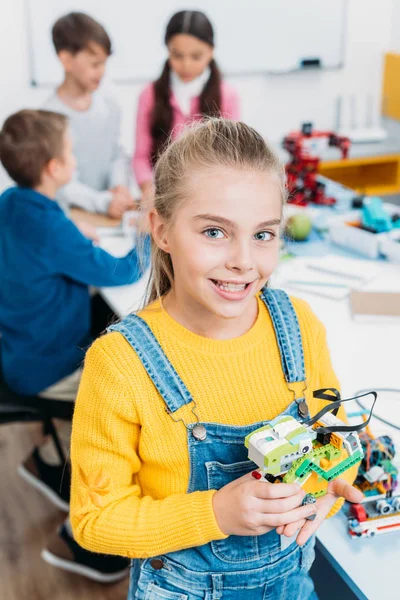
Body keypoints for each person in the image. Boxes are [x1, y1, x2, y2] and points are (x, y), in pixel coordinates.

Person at [70, 119, 362, 598]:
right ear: (161, 230)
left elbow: (334, 432)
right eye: (214, 232)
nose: (244, 260)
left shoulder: (299, 325)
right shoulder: (120, 364)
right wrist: (217, 513)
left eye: (264, 235)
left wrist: (325, 491)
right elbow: (95, 520)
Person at [0, 109, 147, 580]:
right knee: (134, 404)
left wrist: (72, 238)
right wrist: (146, 238)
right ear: (53, 169)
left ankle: (47, 461)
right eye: (70, 151)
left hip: (19, 351)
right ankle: (85, 540)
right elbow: (121, 272)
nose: (75, 157)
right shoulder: (48, 224)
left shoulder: (13, 203)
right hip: (48, 366)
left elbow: (41, 245)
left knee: (109, 324)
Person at [133, 10, 240, 207]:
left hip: (209, 199)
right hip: (162, 199)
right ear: (167, 50)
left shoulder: (227, 96)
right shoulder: (149, 94)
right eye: (177, 55)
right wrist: (150, 193)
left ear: (211, 51)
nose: (186, 64)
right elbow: (141, 157)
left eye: (196, 56)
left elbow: (230, 159)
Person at [44, 12, 135, 220]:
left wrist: (119, 186)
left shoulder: (110, 105)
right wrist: (102, 202)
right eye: (95, 64)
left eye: (104, 63)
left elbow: (116, 155)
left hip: (109, 216)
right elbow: (60, 183)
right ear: (66, 60)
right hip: (71, 218)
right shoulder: (49, 119)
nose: (101, 71)